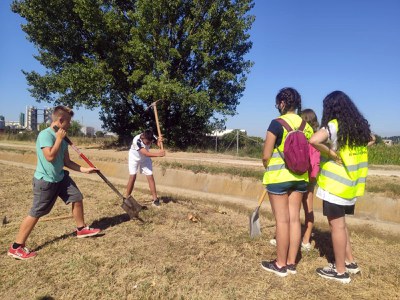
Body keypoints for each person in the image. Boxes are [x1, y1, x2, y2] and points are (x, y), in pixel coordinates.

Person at [7, 106, 101, 260]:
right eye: (69, 122)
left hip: (60, 177)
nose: (70, 125)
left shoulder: (63, 138)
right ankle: (16, 247)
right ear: (61, 120)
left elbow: (67, 162)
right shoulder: (46, 135)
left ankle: (81, 229)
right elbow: (50, 156)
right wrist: (58, 139)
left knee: (76, 197)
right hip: (46, 181)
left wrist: (85, 169)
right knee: (37, 212)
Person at [310, 91, 374, 283]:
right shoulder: (358, 126)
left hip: (335, 186)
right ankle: (350, 262)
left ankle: (340, 271)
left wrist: (332, 154)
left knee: (336, 227)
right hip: (351, 185)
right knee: (342, 225)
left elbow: (313, 140)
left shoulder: (334, 126)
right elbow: (372, 139)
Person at [261, 87, 314, 277]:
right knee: (294, 220)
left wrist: (268, 165)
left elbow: (266, 155)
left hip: (278, 179)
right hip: (300, 179)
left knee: (282, 221)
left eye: (278, 103)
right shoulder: (306, 126)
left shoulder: (276, 124)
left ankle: (280, 264)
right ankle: (291, 263)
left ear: (282, 103)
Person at [125, 129, 165, 207]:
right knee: (133, 176)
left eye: (150, 142)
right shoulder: (136, 141)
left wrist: (159, 141)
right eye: (147, 143)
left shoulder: (151, 136)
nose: (148, 144)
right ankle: (127, 198)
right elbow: (146, 153)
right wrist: (158, 154)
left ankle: (155, 200)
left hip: (145, 159)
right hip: (134, 158)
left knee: (150, 176)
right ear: (143, 137)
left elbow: (158, 145)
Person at [299, 109, 320, 251]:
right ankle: (306, 240)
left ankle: (285, 237)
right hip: (312, 176)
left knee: (292, 208)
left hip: (300, 175)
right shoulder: (318, 137)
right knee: (308, 208)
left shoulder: (302, 136)